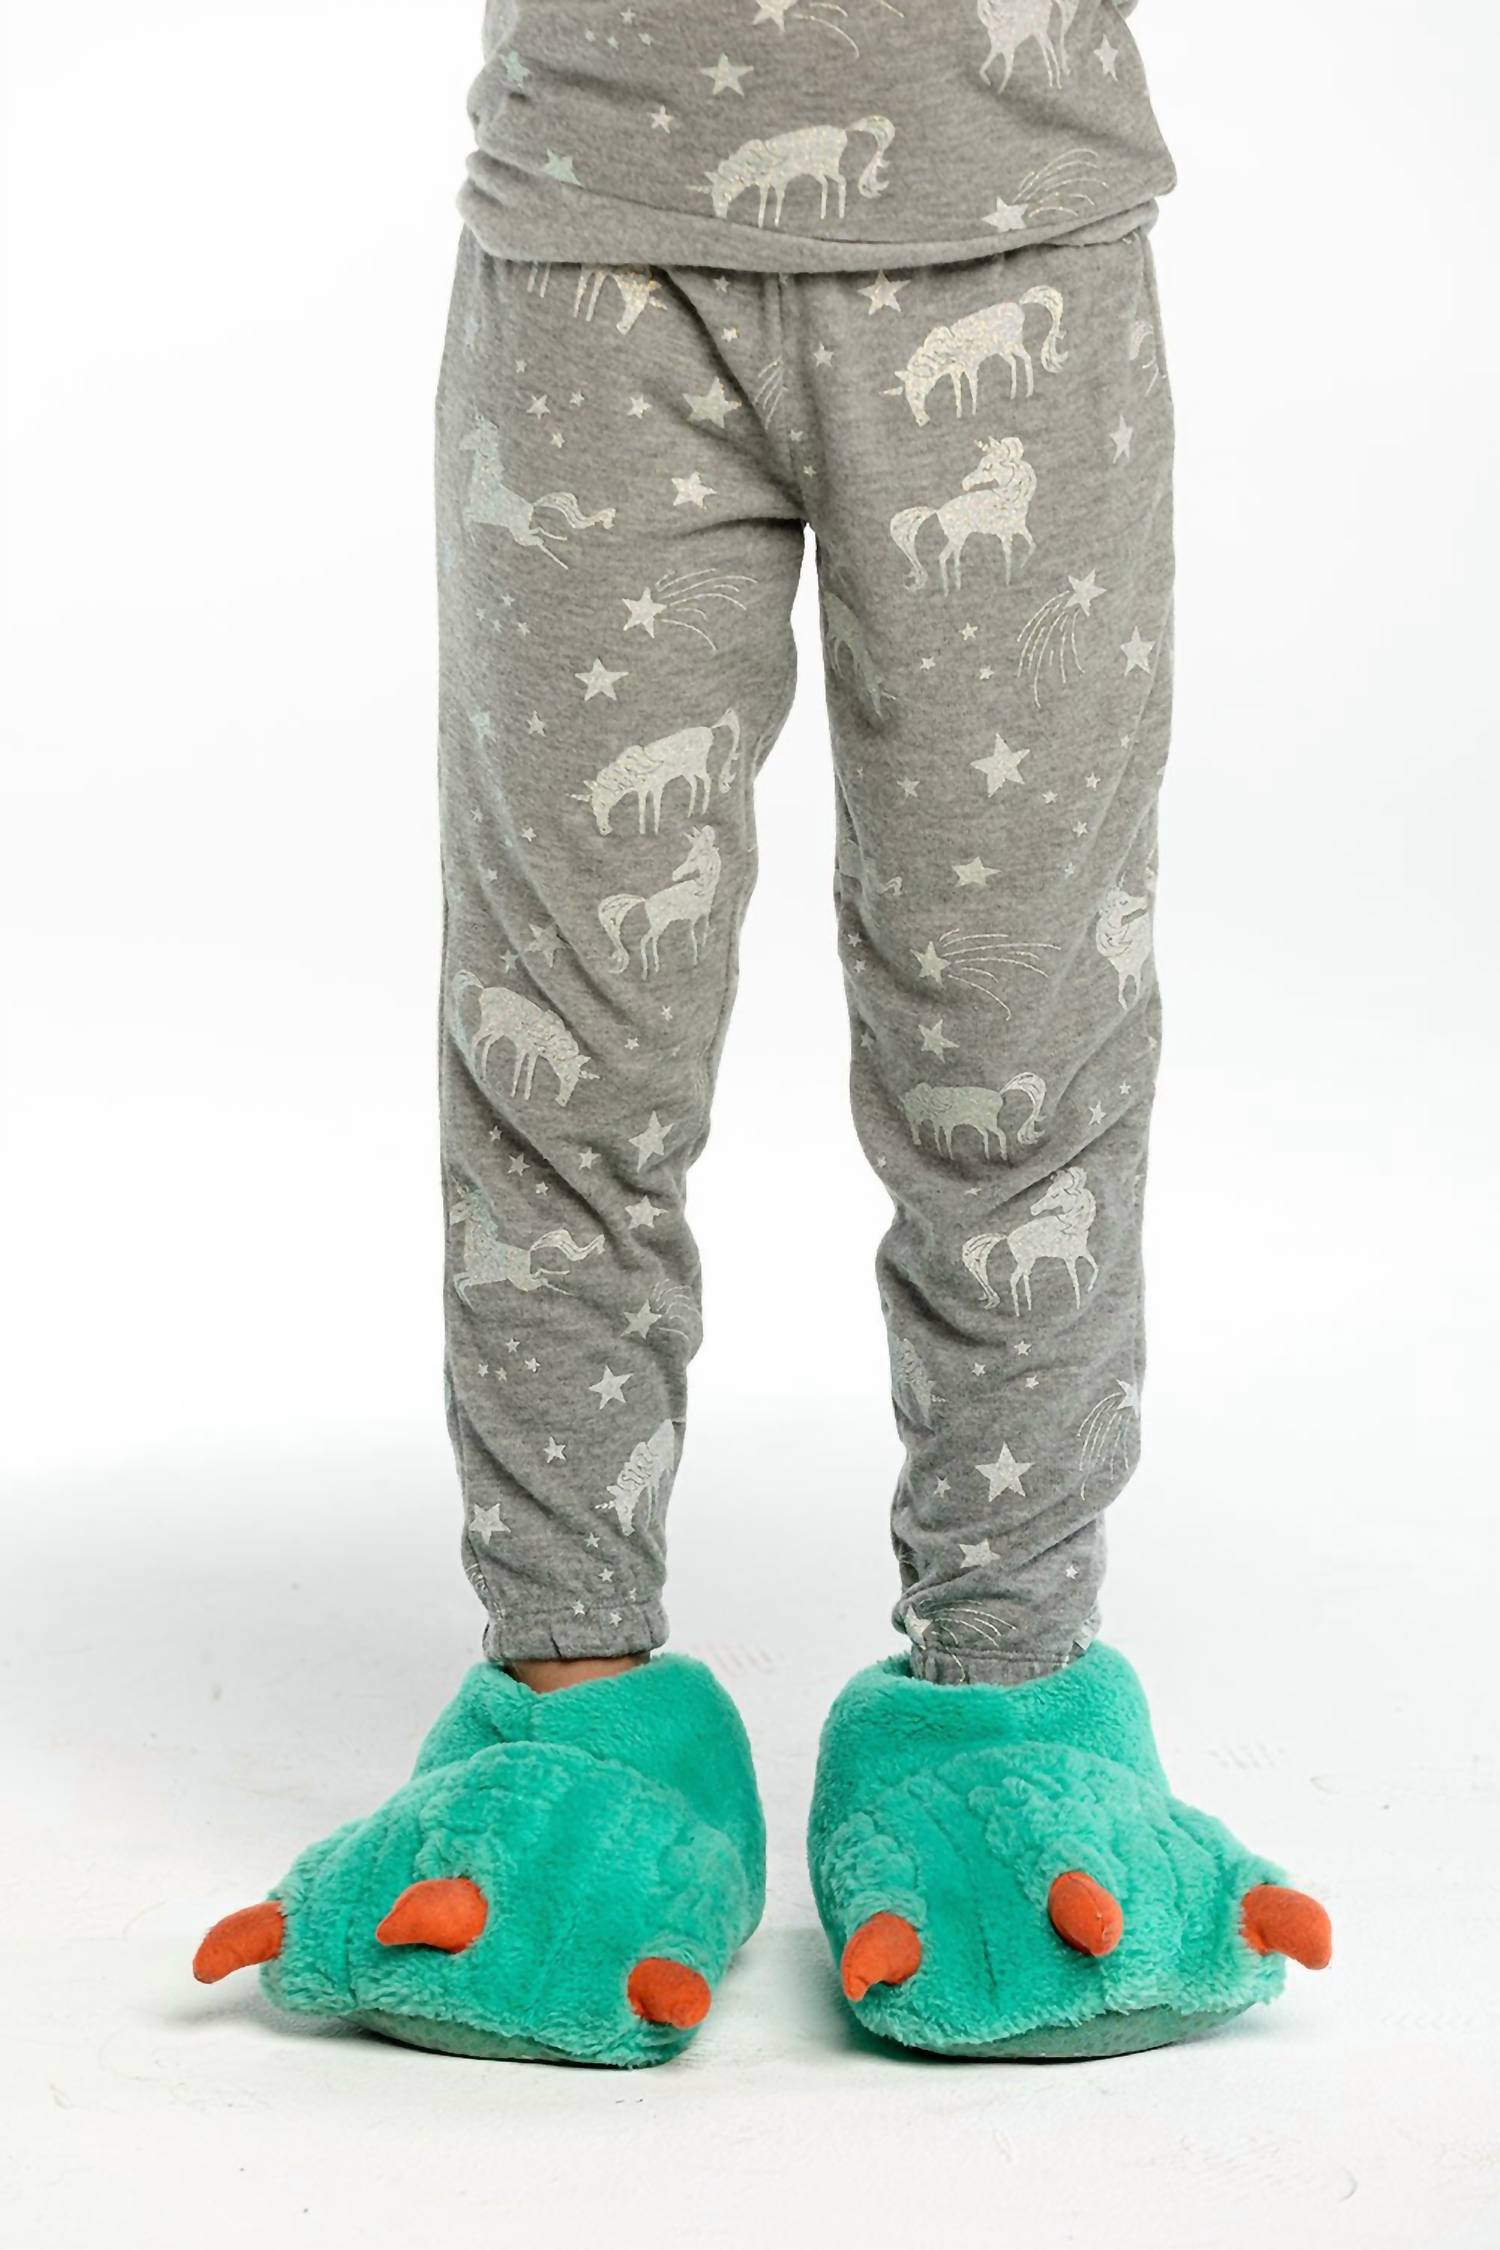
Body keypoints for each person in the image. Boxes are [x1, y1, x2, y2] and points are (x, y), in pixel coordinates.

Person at [192, 0, 1331, 2063]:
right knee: (564, 1031)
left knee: (1018, 1022)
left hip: (1017, 226)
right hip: (590, 241)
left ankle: (1011, 1694)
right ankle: (568, 1700)